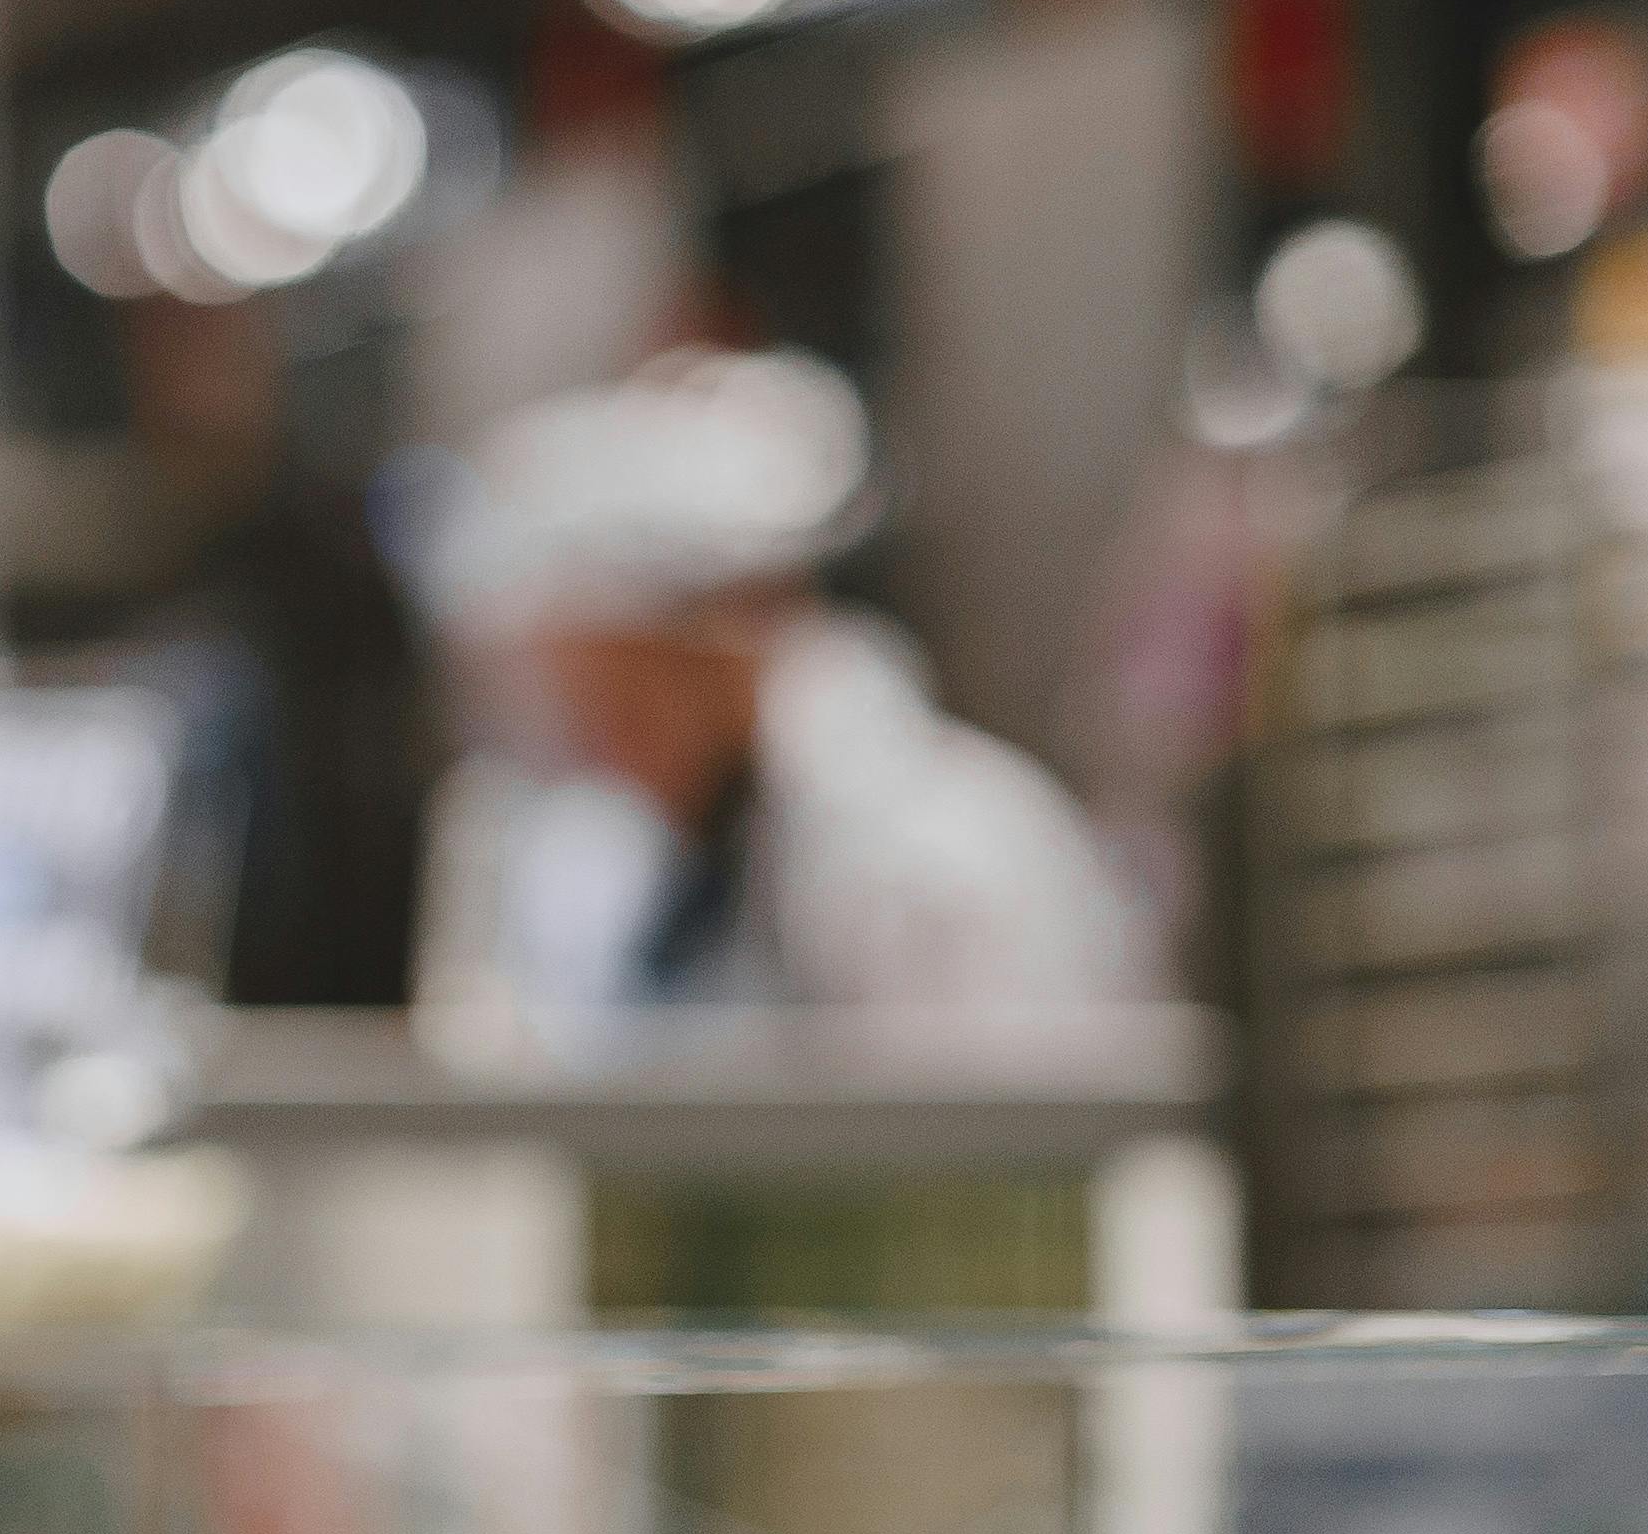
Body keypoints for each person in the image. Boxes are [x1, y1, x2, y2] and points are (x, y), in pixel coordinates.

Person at [407, 348, 1151, 1046]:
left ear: (709, 644)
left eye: (590, 685)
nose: (567, 731)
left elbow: (998, 1160)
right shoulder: (620, 865)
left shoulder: (937, 863)